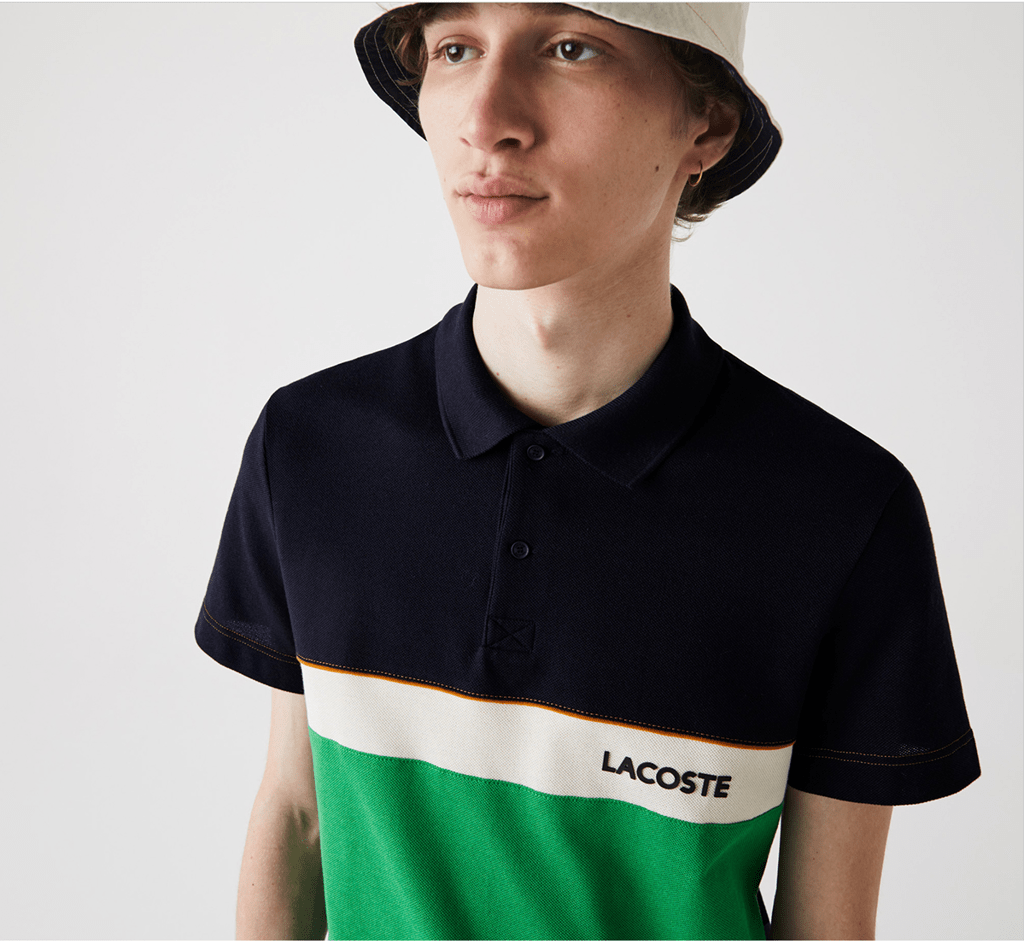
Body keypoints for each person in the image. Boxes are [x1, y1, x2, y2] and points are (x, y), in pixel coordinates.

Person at [196, 3, 980, 939]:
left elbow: (829, 928)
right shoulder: (310, 446)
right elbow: (300, 815)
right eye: (455, 49)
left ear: (706, 125)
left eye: (571, 48)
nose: (486, 120)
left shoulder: (841, 511)